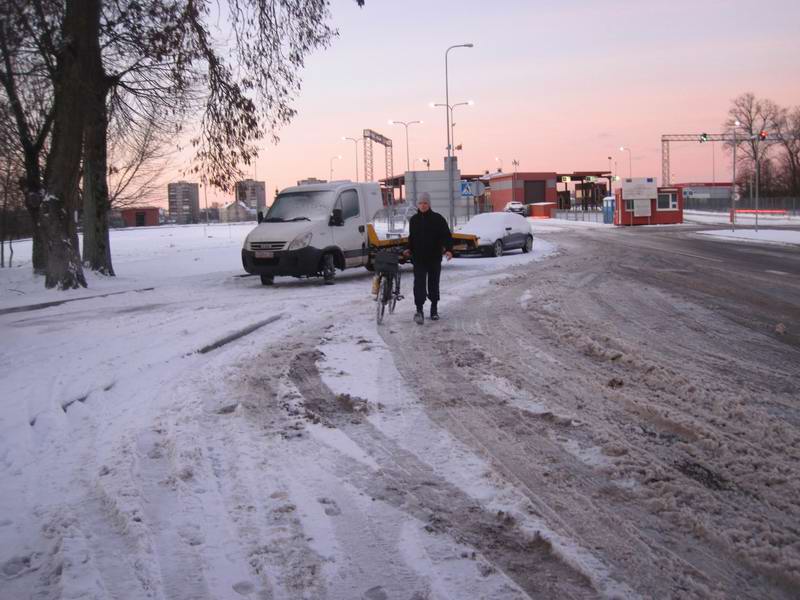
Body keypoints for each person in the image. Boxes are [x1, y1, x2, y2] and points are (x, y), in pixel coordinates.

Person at [403, 193, 453, 324]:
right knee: (419, 284)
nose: (423, 205)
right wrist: (408, 248)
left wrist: (448, 250)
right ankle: (419, 310)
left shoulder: (438, 219)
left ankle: (434, 308)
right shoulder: (414, 220)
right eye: (420, 203)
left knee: (433, 283)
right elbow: (412, 238)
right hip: (418, 258)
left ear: (429, 204)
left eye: (425, 203)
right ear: (417, 205)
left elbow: (446, 236)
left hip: (434, 257)